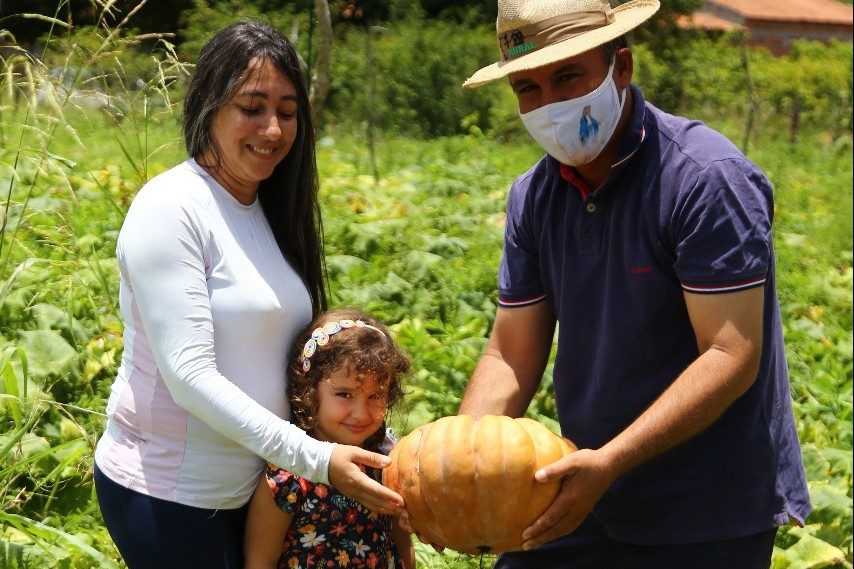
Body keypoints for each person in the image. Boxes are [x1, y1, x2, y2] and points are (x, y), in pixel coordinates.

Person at [457, 0, 812, 567]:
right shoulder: (535, 196)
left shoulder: (703, 179)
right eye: (527, 89)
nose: (549, 105)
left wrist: (611, 461)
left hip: (704, 509)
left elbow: (730, 353)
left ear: (621, 68)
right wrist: (459, 460)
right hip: (583, 491)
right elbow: (510, 352)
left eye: (568, 76)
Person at [92, 21, 404, 569]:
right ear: (210, 106)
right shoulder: (172, 207)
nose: (274, 129)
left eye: (287, 111)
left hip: (257, 492)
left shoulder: (265, 207)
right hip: (170, 496)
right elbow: (189, 375)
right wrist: (317, 458)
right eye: (252, 107)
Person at [244, 308, 416, 569]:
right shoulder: (287, 475)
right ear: (310, 390)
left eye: (375, 396)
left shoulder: (387, 462)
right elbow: (260, 561)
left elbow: (402, 544)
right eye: (345, 394)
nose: (360, 414)